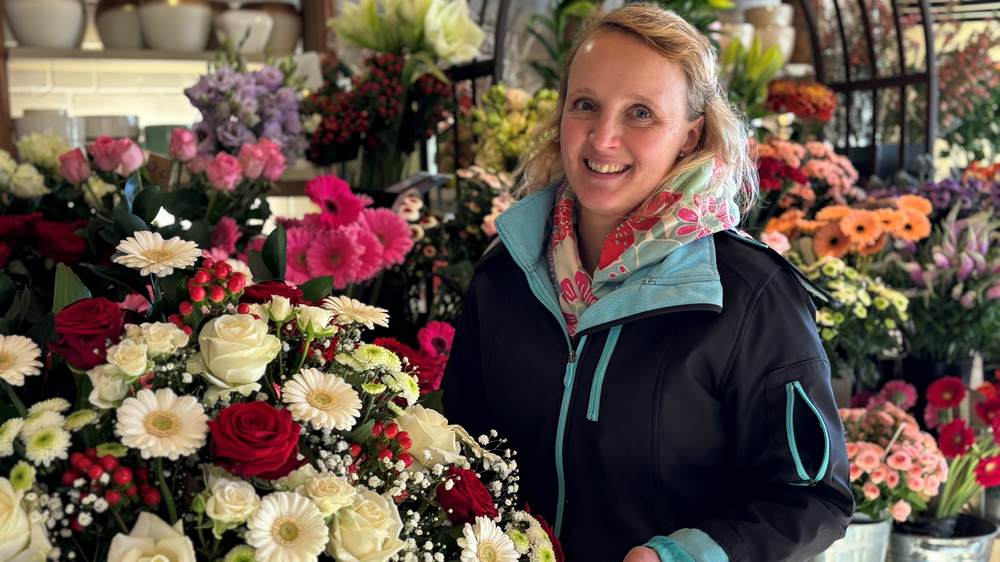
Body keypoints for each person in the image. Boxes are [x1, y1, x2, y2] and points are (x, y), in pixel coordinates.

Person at [442, 4, 853, 561]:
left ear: (691, 135)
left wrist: (685, 555)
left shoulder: (750, 295)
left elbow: (813, 497)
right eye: (585, 105)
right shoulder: (505, 276)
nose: (603, 138)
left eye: (640, 113)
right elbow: (458, 453)